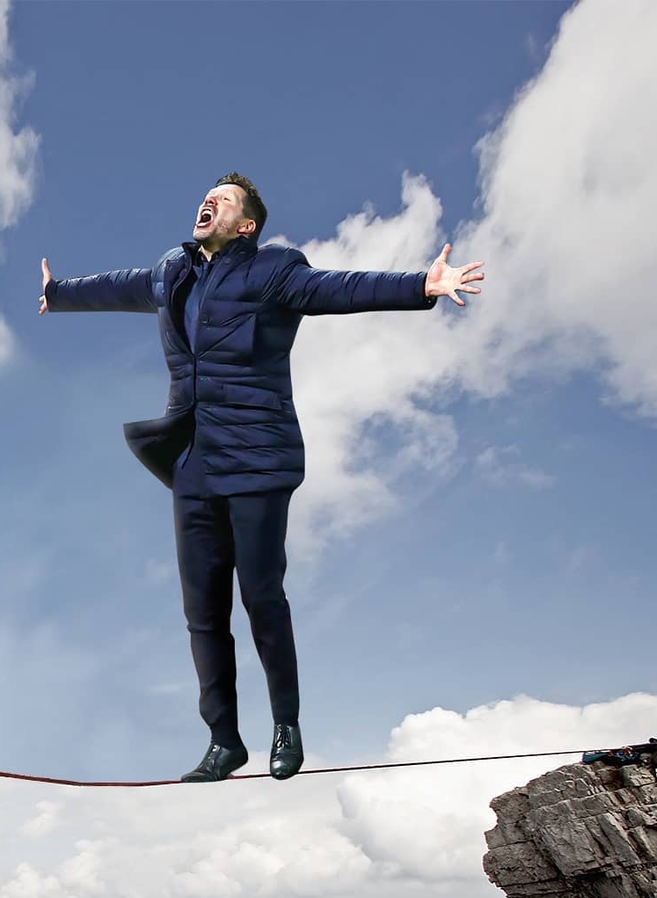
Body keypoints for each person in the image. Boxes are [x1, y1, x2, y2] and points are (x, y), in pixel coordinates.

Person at [39, 173, 484, 783]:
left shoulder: (273, 270)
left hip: (258, 458)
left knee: (262, 598)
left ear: (246, 225)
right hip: (193, 460)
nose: (209, 200)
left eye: (223, 199)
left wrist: (420, 286)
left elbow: (337, 288)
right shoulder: (173, 271)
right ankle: (224, 740)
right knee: (202, 612)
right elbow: (121, 286)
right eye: (207, 195)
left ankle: (285, 725)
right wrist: (59, 293)